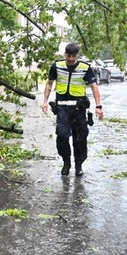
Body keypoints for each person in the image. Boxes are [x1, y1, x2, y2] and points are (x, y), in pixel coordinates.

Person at [41, 42, 104, 176]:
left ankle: (78, 164)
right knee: (62, 136)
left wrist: (98, 106)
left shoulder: (84, 68)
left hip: (79, 109)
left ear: (77, 55)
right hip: (62, 108)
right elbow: (49, 84)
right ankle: (66, 162)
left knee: (80, 138)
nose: (70, 59)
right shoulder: (57, 66)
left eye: (73, 56)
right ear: (65, 54)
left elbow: (94, 87)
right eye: (68, 55)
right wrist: (45, 101)